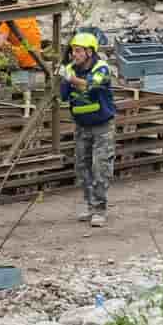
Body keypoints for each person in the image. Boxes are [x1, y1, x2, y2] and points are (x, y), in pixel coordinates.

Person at [61, 33, 117, 229]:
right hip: (82, 126)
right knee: (82, 167)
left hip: (102, 126)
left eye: (78, 51)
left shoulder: (101, 68)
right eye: (73, 50)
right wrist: (64, 79)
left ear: (89, 52)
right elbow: (63, 96)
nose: (74, 54)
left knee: (100, 166)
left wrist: (71, 79)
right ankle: (90, 204)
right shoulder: (69, 69)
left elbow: (92, 85)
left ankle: (100, 209)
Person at [0, 0, 45, 79]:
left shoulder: (6, 18)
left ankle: (2, 77)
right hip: (36, 58)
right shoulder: (26, 10)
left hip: (23, 61)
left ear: (0, 0)